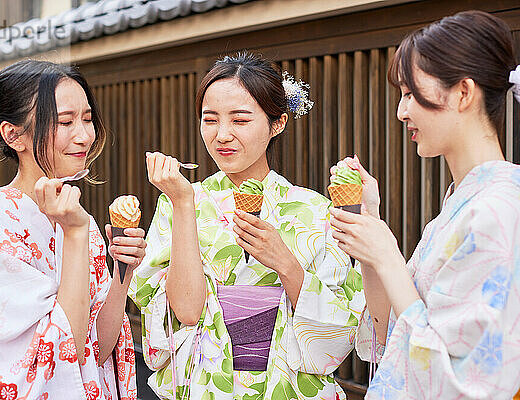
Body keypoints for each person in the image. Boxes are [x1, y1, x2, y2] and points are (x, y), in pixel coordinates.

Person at [127, 52, 365, 399]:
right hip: (210, 383)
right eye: (210, 120)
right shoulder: (182, 199)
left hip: (286, 386)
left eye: (239, 120)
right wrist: (181, 202)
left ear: (277, 123)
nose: (222, 135)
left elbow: (340, 324)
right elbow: (187, 312)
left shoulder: (315, 210)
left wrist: (284, 262)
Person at [328, 10, 520, 399]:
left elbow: (461, 384)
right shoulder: (462, 203)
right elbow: (389, 334)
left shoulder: (500, 209)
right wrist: (371, 231)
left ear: (463, 93)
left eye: (411, 94)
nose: (401, 112)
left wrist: (388, 258)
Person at [0, 60, 146, 400]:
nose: (84, 135)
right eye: (66, 122)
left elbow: (95, 350)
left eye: (87, 119)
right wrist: (76, 233)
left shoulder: (76, 220)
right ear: (13, 134)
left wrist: (122, 274)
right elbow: (48, 362)